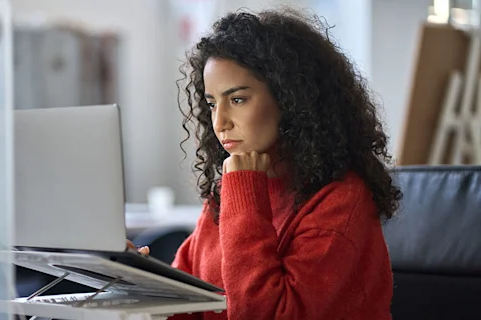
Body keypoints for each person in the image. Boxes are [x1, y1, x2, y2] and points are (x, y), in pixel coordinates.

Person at [162, 7, 403, 320]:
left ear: (290, 99)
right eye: (211, 104)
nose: (219, 122)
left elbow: (265, 314)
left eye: (237, 100)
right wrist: (128, 279)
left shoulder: (342, 199)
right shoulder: (227, 194)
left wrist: (245, 192)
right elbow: (186, 305)